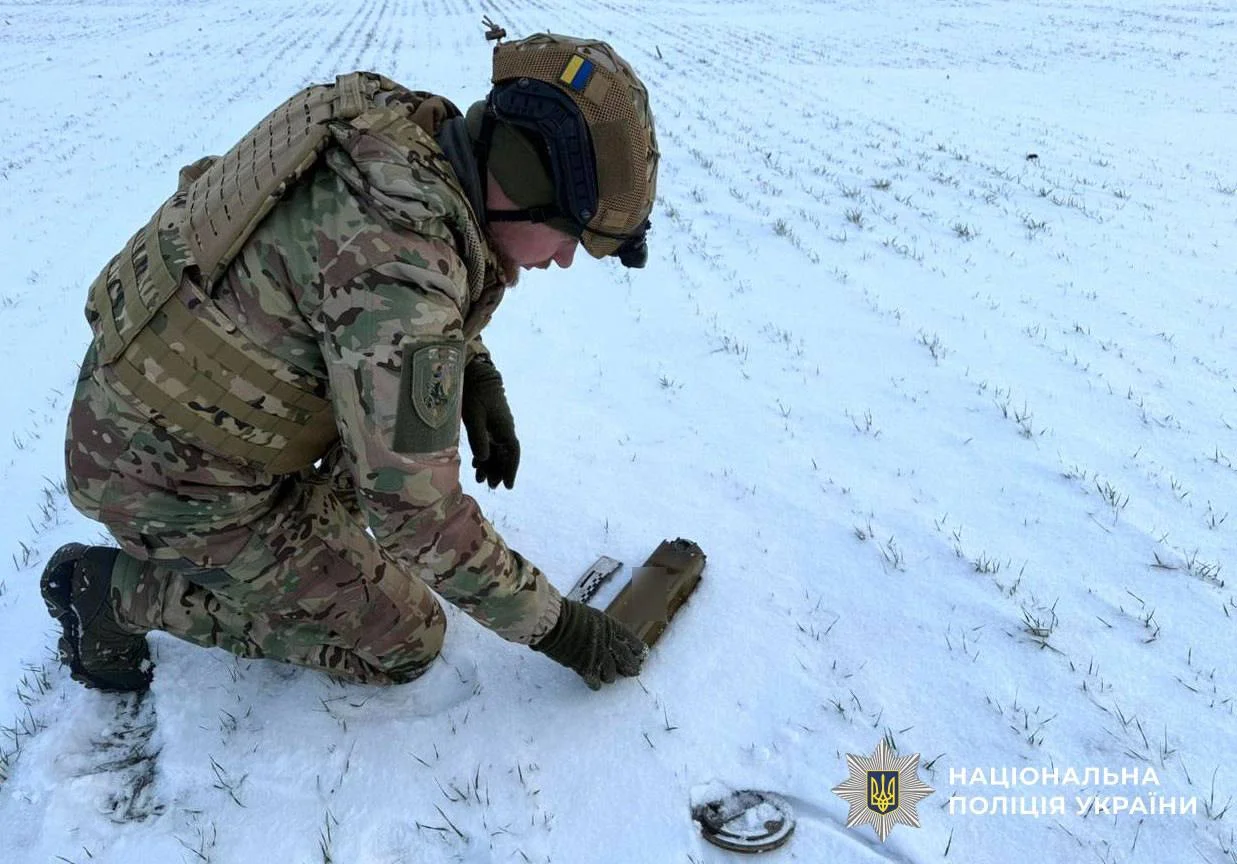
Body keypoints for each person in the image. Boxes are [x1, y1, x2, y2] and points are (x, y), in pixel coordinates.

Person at [40, 28, 659, 694]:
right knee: (405, 638)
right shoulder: (399, 266)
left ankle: (296, 530)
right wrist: (558, 626)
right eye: (569, 234)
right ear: (519, 186)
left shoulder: (392, 140)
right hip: (166, 481)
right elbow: (414, 514)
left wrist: (473, 369)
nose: (563, 259)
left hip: (154, 405)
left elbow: (349, 280)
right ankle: (111, 594)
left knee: (364, 489)